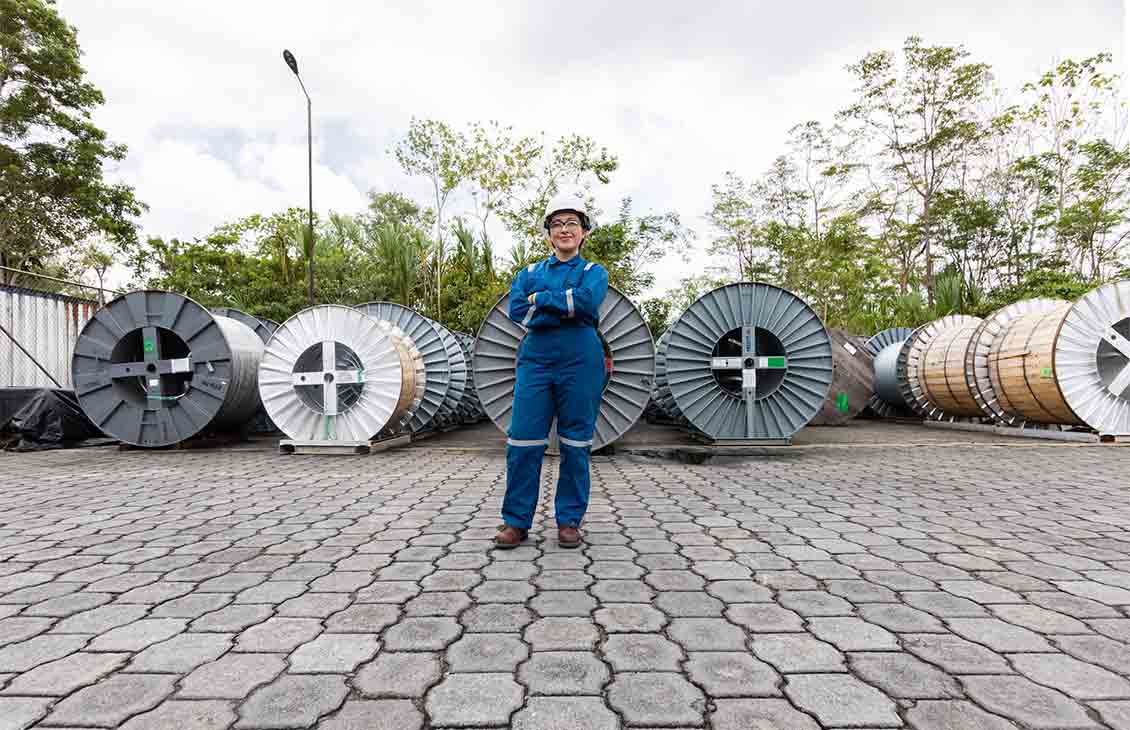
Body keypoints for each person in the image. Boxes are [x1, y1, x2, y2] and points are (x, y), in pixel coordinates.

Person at [494, 192, 609, 550]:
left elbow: (587, 302)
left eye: (572, 223)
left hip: (582, 358)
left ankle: (569, 520)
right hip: (537, 359)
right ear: (547, 233)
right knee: (523, 439)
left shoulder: (594, 273)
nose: (564, 229)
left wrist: (542, 299)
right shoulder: (528, 273)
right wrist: (564, 304)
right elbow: (518, 311)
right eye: (557, 224)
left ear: (584, 232)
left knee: (576, 443)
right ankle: (516, 522)